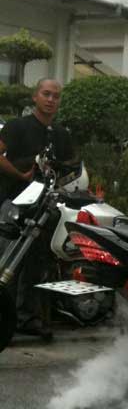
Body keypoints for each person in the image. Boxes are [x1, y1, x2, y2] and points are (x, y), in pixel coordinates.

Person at [0, 78, 77, 337]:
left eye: (56, 96)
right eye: (46, 94)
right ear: (35, 96)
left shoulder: (60, 134)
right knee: (9, 262)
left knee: (37, 263)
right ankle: (5, 320)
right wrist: (20, 175)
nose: (51, 99)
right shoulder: (17, 126)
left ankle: (28, 318)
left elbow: (71, 167)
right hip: (13, 205)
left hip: (44, 208)